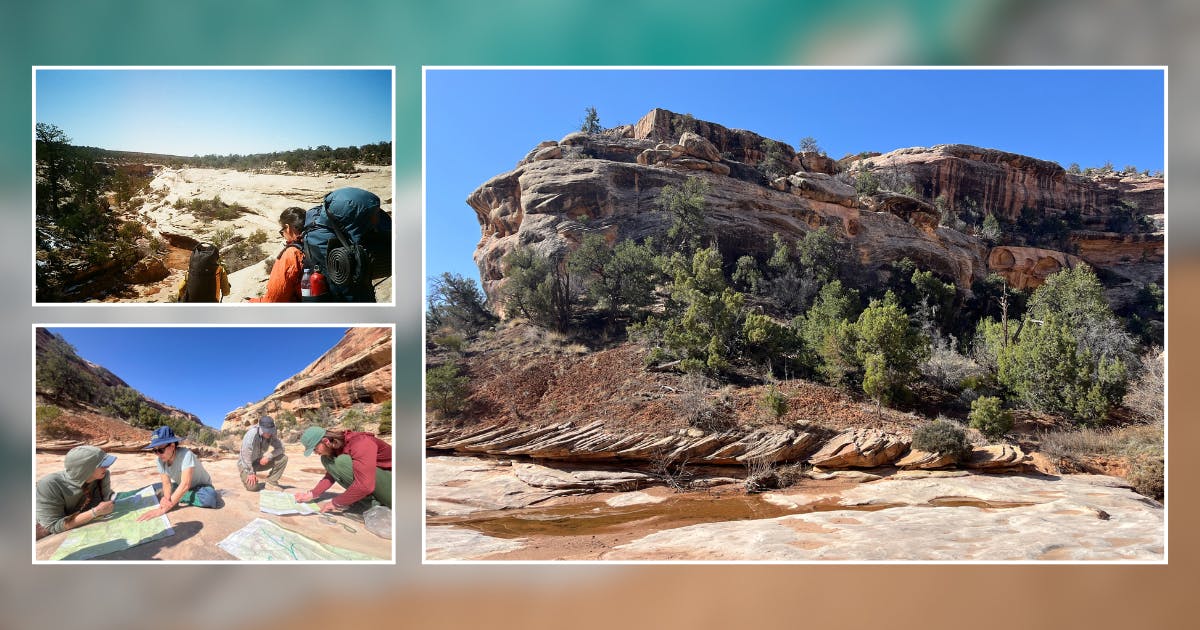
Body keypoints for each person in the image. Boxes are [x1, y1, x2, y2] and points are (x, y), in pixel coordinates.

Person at [295, 426, 392, 512]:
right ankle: (365, 501)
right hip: (379, 482)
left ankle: (374, 504)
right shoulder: (334, 449)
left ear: (326, 441)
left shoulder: (361, 442)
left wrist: (336, 503)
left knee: (342, 461)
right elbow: (331, 475)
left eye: (315, 449)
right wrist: (312, 494)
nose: (315, 453)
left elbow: (365, 485)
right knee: (326, 459)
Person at [136, 426, 221, 521]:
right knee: (164, 490)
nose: (158, 454)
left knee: (209, 498)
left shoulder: (186, 455)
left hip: (202, 487)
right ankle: (179, 494)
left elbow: (185, 484)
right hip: (181, 485)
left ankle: (179, 495)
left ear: (172, 446)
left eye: (160, 450)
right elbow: (166, 483)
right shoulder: (160, 461)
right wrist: (167, 498)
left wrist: (165, 507)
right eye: (155, 451)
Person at [35, 445, 117, 540]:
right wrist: (95, 512)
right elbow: (53, 526)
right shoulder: (50, 484)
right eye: (102, 465)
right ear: (85, 469)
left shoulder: (101, 476)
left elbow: (103, 503)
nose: (107, 467)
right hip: (42, 526)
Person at [247, 207, 306, 302]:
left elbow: (275, 299)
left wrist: (252, 301)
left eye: (282, 231)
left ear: (287, 227)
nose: (283, 236)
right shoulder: (313, 245)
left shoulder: (292, 253)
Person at [238, 415, 288, 491]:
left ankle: (271, 482)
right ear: (260, 427)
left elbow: (281, 448)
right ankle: (249, 477)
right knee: (253, 488)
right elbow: (245, 456)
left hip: (258, 461)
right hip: (246, 464)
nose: (269, 433)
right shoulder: (251, 435)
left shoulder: (271, 434)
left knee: (283, 458)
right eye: (266, 431)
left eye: (270, 430)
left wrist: (269, 456)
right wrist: (250, 472)